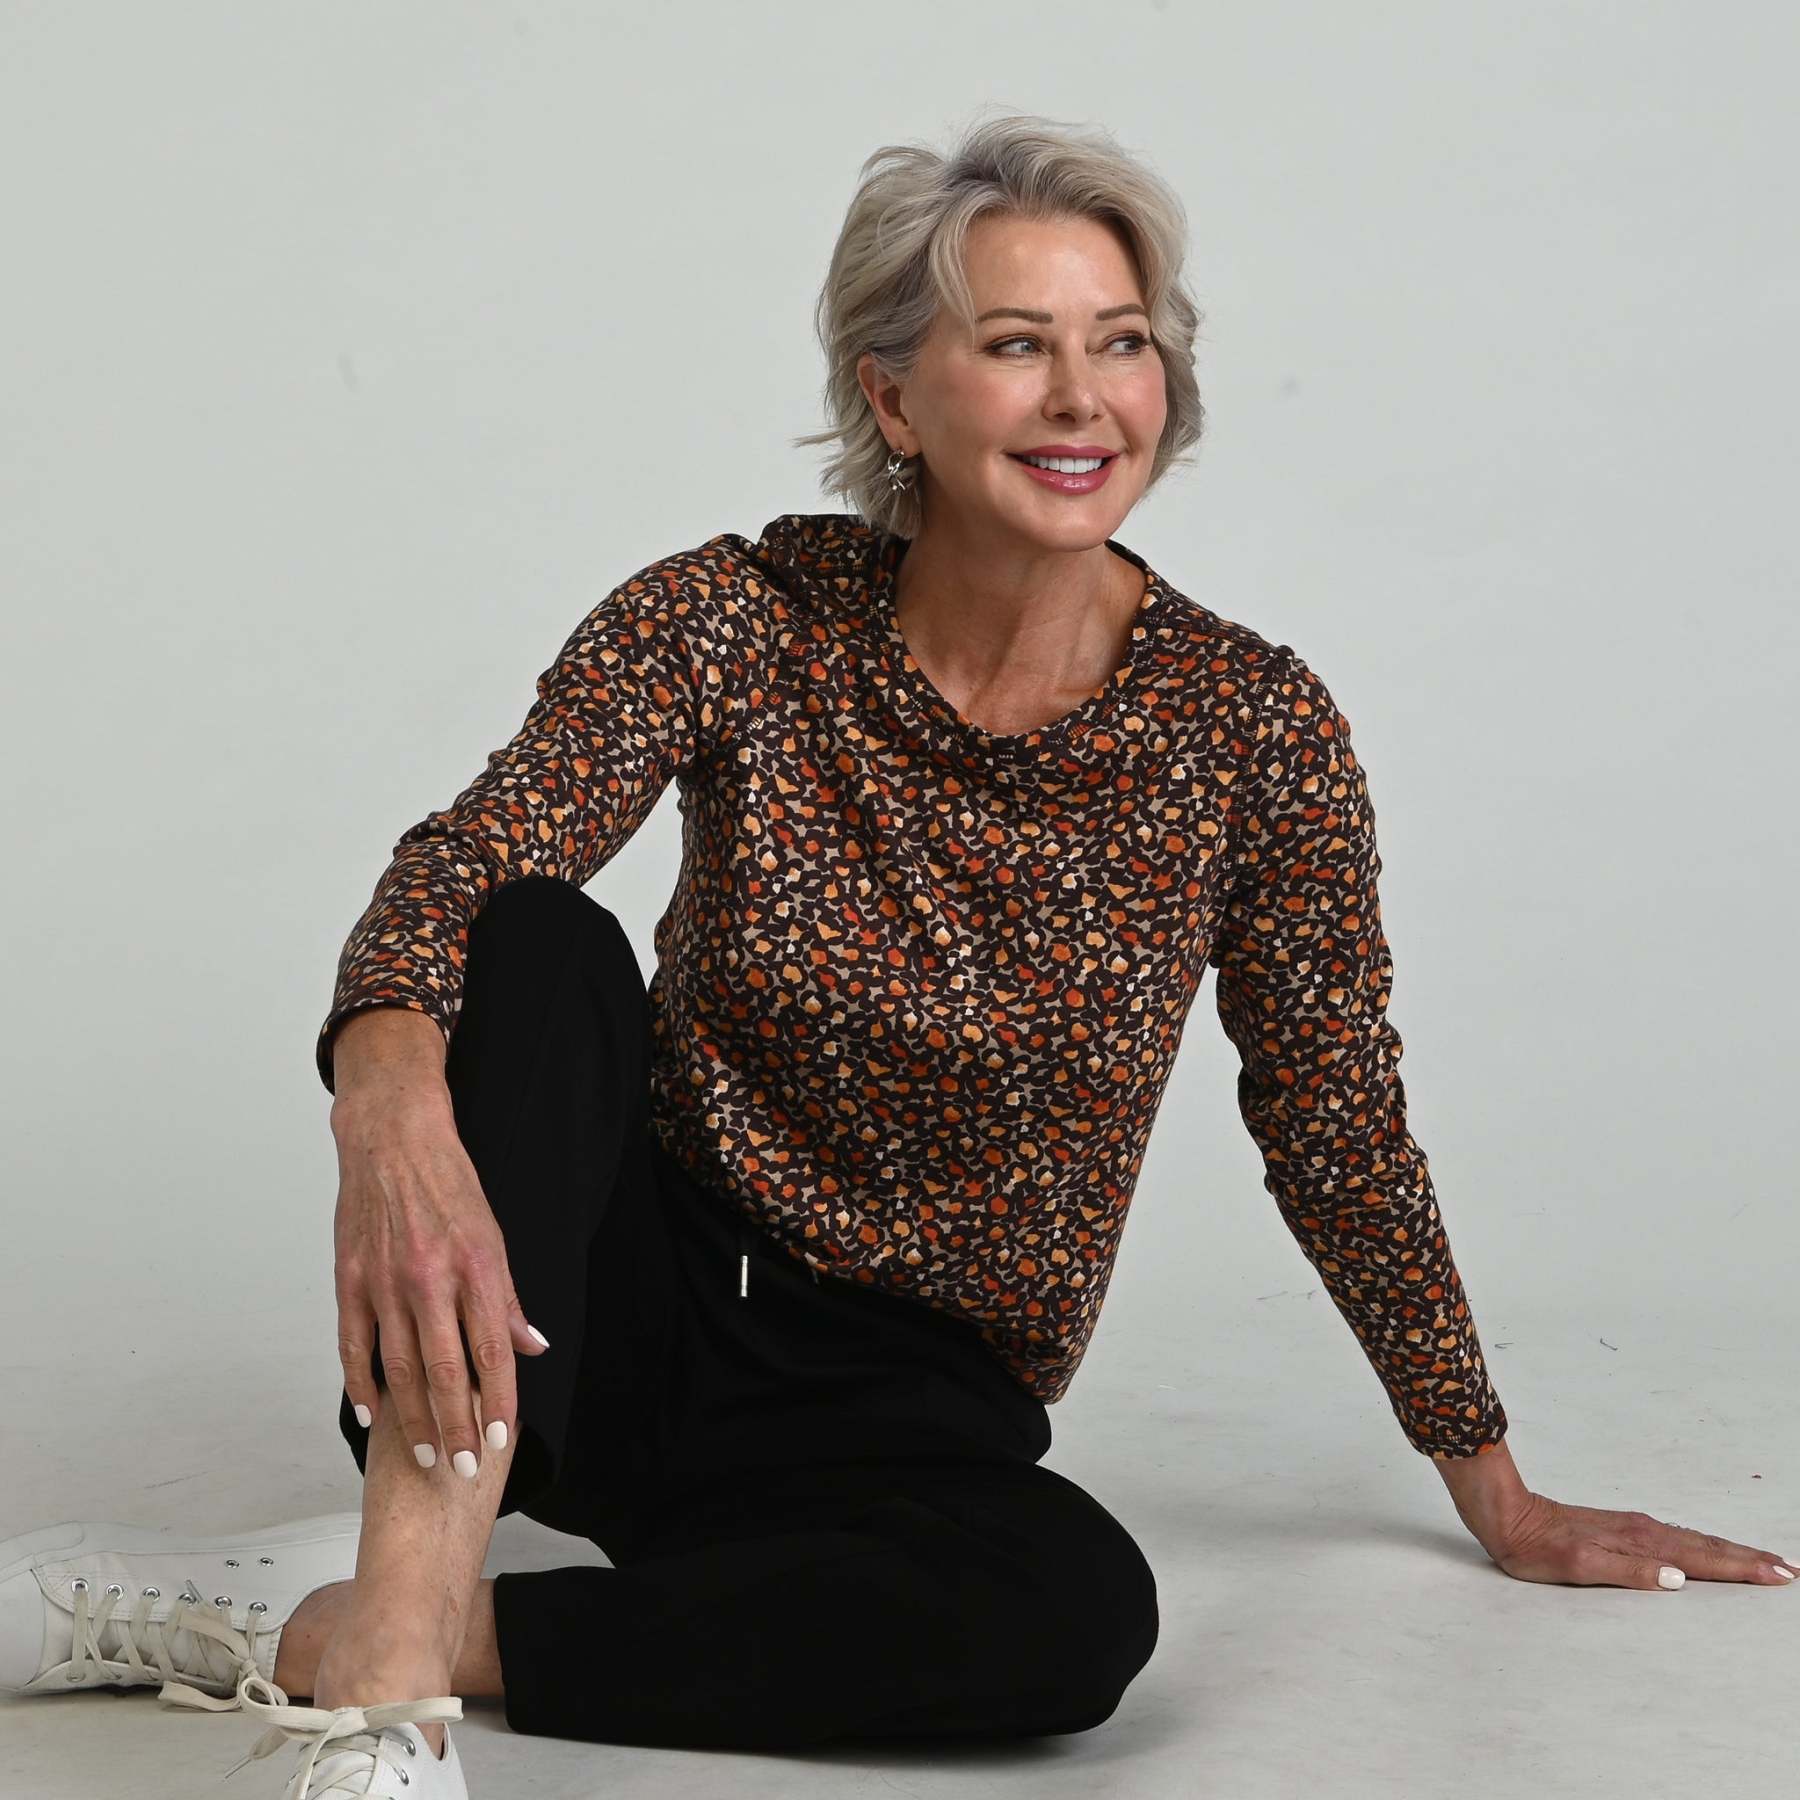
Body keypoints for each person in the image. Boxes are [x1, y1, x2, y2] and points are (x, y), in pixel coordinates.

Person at [2, 109, 1530, 1799]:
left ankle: (350, 1623)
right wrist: (386, 1105)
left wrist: (1490, 1480)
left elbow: (1334, 1117)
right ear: (895, 398)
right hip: (603, 1327)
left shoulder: (1252, 730)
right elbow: (469, 862)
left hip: (911, 1405)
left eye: (1122, 344)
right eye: (1016, 345)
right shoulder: (738, 619)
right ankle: (386, 1725)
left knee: (1076, 1615)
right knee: (533, 941)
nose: (1084, 399)